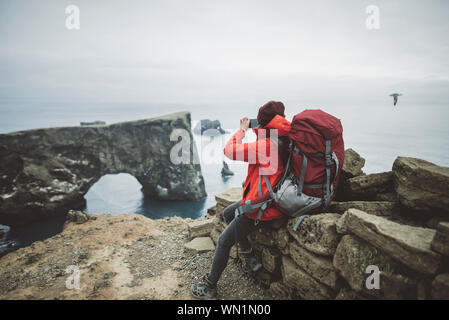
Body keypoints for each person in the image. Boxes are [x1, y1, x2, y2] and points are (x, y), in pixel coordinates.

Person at [191, 101, 291, 300]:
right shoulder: (284, 138)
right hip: (273, 201)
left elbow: (229, 150)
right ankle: (249, 256)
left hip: (261, 208)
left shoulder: (265, 145)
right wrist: (261, 131)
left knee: (224, 241)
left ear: (263, 123)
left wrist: (242, 130)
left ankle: (210, 286)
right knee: (228, 213)